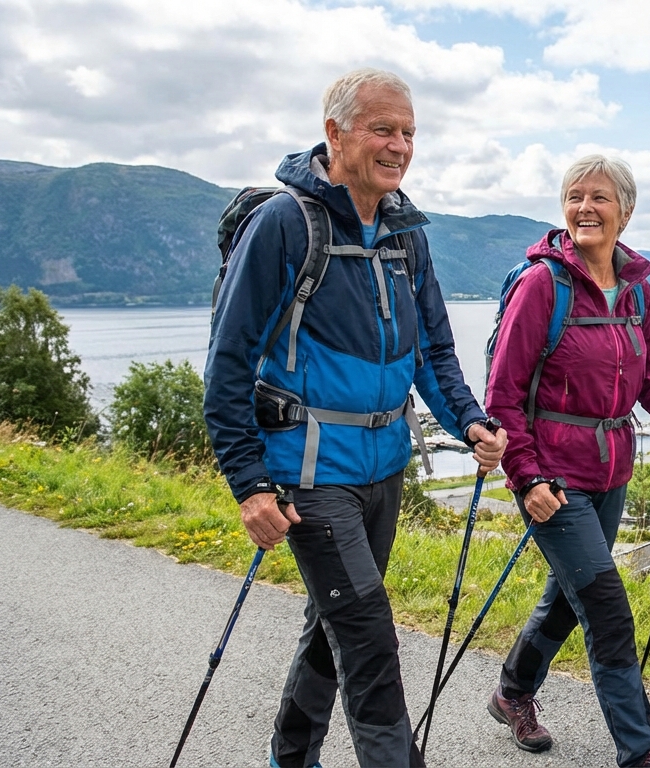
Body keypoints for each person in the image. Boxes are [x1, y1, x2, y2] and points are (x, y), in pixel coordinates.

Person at [204, 68, 506, 768]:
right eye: (382, 129)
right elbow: (227, 361)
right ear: (336, 133)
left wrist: (469, 420)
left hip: (384, 469)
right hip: (310, 476)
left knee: (330, 628)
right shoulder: (284, 224)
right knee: (369, 639)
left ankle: (291, 756)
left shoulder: (406, 232)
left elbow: (429, 349)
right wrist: (248, 484)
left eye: (408, 132)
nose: (398, 145)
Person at [484, 155, 650, 768]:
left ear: (626, 210)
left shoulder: (639, 289)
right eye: (574, 197)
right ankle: (642, 752)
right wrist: (526, 476)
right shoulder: (543, 285)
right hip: (551, 476)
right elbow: (503, 395)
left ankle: (512, 692)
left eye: (599, 198)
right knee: (607, 609)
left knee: (570, 598)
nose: (584, 209)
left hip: (611, 472)